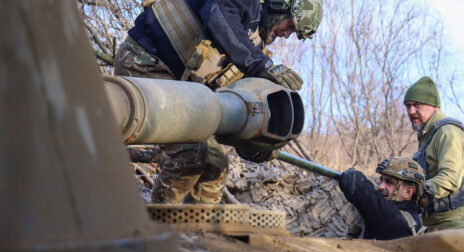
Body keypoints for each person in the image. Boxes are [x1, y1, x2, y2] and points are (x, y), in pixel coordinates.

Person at [113, 0, 323, 204]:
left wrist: (261, 142)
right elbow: (217, 15)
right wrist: (261, 66)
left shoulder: (252, 47)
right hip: (144, 62)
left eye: (293, 34)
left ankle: (196, 233)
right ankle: (160, 228)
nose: (286, 34)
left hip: (177, 91)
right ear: (280, 4)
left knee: (215, 163)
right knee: (191, 152)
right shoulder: (245, 10)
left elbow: (236, 109)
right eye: (291, 26)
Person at [404, 76, 464, 230]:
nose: (411, 111)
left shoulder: (447, 132)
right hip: (437, 226)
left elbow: (450, 178)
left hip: (461, 227)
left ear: (434, 106)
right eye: (407, 106)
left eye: (417, 105)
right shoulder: (427, 134)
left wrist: (414, 193)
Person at [337, 157, 427, 240]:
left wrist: (353, 178)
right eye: (381, 180)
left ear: (408, 192)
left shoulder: (400, 221)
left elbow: (369, 198)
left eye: (389, 182)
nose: (380, 186)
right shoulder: (401, 217)